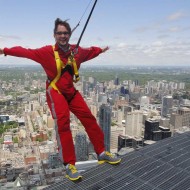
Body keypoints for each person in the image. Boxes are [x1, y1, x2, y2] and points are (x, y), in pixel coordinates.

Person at [0, 18, 121, 181]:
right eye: (59, 33)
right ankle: (70, 165)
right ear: (54, 35)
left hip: (71, 91)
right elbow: (25, 51)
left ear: (70, 34)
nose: (62, 36)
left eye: (65, 33)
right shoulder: (46, 52)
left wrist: (100, 50)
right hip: (56, 91)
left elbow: (89, 52)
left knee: (89, 118)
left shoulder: (75, 51)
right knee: (63, 124)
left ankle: (101, 152)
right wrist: (5, 50)